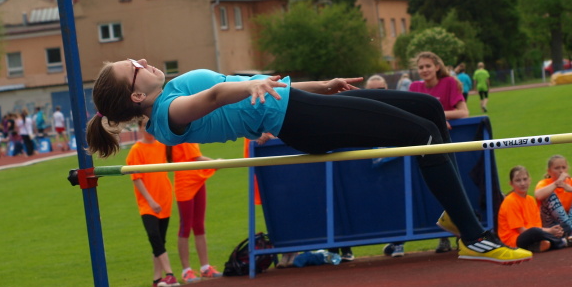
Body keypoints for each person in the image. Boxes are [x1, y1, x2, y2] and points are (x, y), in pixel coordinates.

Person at [86, 58, 533, 264]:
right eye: (134, 67)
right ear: (136, 96)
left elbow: (266, 89)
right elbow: (221, 93)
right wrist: (253, 84)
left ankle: (456, 216)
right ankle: (474, 238)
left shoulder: (169, 89)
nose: (142, 60)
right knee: (421, 135)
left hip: (301, 106)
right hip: (300, 122)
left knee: (429, 110)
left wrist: (322, 85)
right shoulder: (167, 115)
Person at [409, 51, 469, 254]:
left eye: (428, 66)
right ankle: (443, 235)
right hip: (424, 147)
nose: (424, 70)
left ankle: (464, 235)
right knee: (433, 189)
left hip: (451, 145)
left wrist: (439, 117)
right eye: (421, 67)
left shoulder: (449, 83)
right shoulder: (414, 88)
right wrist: (434, 121)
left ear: (437, 66)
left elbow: (463, 112)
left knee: (454, 187)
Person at [126, 128, 180, 287]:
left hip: (164, 198)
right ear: (140, 128)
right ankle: (170, 274)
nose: (149, 129)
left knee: (160, 239)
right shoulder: (136, 150)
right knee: (154, 236)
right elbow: (136, 178)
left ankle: (157, 278)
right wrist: (150, 201)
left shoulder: (162, 145)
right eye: (145, 125)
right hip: (148, 203)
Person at [498, 166, 572, 253]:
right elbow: (522, 231)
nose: (522, 183)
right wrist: (549, 231)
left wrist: (552, 231)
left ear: (529, 180)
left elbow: (537, 226)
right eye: (518, 181)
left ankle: (541, 244)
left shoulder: (530, 200)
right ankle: (562, 242)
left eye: (525, 179)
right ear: (511, 184)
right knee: (535, 232)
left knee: (561, 227)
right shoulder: (510, 201)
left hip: (534, 234)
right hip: (514, 241)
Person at [169, 142, 223, 282]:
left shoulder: (190, 133)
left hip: (198, 178)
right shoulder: (181, 134)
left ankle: (205, 267)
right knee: (185, 227)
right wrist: (216, 163)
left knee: (199, 225)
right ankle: (186, 270)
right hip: (184, 181)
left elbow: (196, 157)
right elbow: (197, 158)